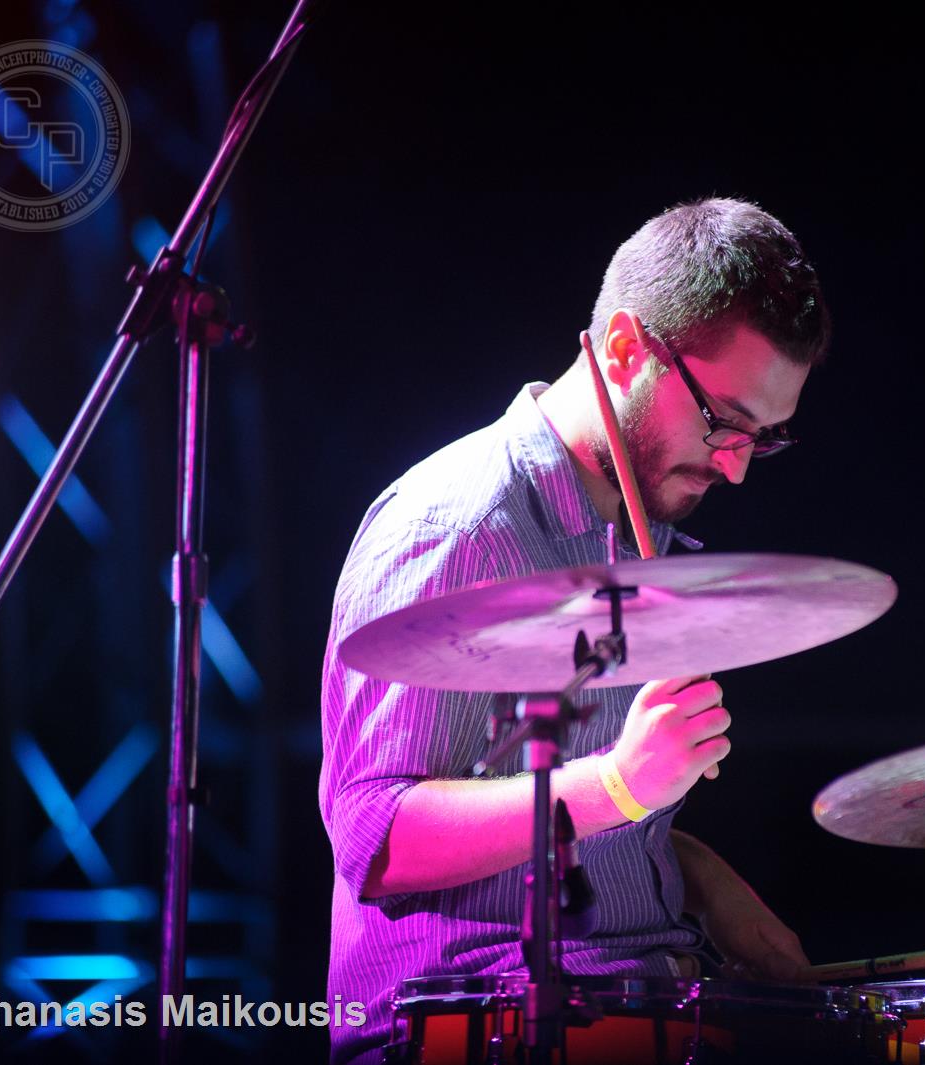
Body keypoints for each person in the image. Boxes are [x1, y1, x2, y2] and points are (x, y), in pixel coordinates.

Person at [318, 197, 833, 1064]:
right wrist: (619, 785)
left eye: (765, 440)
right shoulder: (459, 526)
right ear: (627, 348)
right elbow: (372, 835)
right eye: (725, 424)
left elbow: (539, 809)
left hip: (648, 996)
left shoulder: (646, 523)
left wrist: (697, 874)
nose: (738, 470)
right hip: (472, 1023)